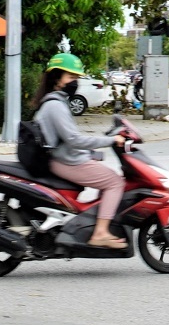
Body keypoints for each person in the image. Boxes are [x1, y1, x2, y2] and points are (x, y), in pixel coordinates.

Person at [33, 54, 128, 249]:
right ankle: (100, 233)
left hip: (64, 157)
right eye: (71, 77)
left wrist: (93, 153)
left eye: (76, 78)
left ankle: (95, 223)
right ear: (56, 78)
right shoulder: (55, 105)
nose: (74, 83)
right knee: (115, 182)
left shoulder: (54, 102)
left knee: (104, 174)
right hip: (66, 162)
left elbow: (68, 138)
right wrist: (111, 140)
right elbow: (74, 140)